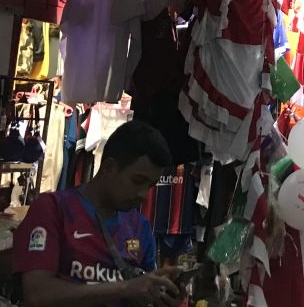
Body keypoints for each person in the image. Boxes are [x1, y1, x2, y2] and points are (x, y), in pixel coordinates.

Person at [13, 120, 182, 307]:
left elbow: (144, 292)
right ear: (109, 167)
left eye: (149, 186)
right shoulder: (53, 209)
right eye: (137, 181)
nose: (143, 194)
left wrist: (163, 298)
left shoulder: (140, 227)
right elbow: (37, 294)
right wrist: (125, 288)